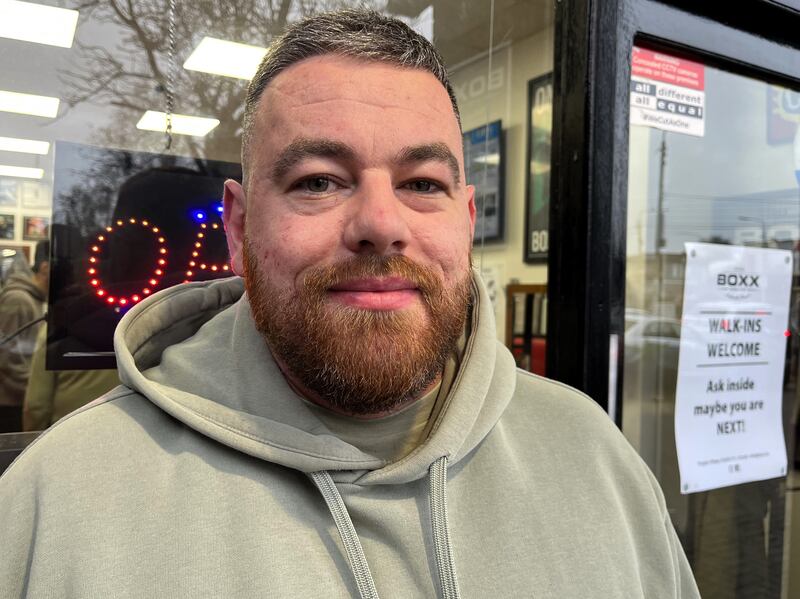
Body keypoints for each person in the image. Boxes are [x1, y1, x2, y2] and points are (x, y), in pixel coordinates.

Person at [0, 10, 699, 598]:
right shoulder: (55, 504)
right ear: (239, 229)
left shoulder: (597, 462)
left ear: (465, 217)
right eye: (318, 180)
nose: (380, 222)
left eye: (422, 183)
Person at [0, 240, 48, 433]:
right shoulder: (19, 300)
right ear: (45, 267)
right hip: (9, 405)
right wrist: (36, 390)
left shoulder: (32, 299)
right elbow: (7, 358)